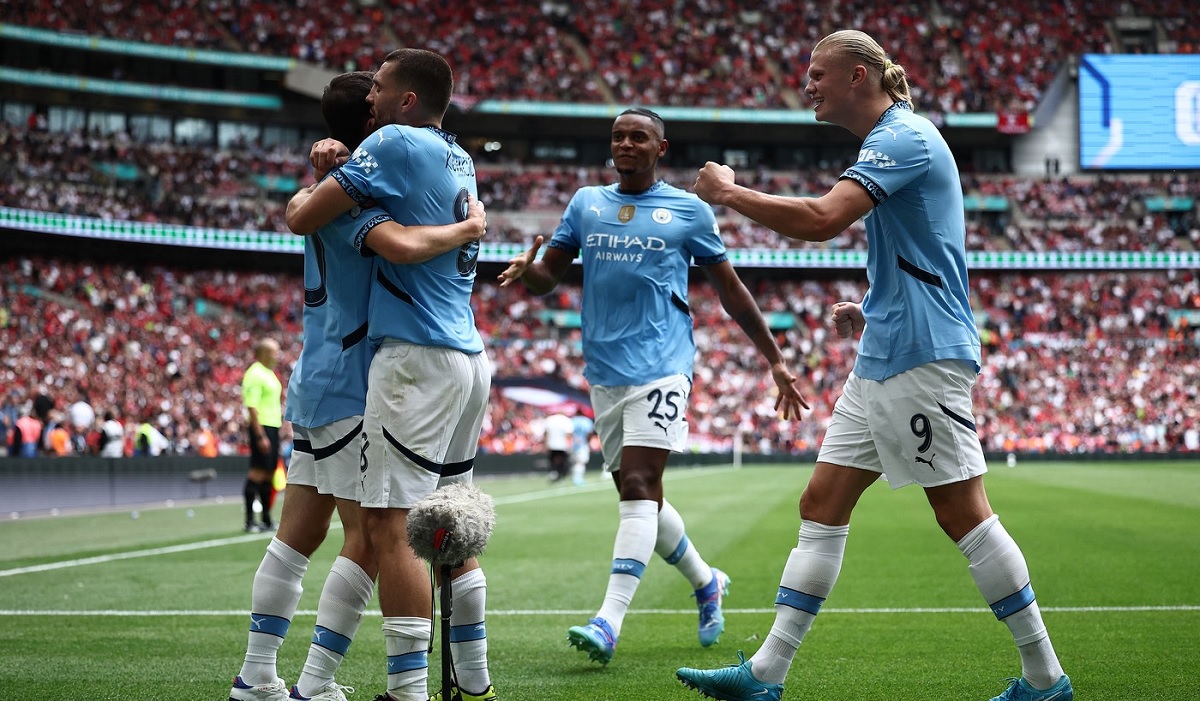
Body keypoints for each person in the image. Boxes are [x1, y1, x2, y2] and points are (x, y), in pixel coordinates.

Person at [675, 30, 1072, 701]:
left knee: (962, 512)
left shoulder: (902, 137)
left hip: (920, 355)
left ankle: (1045, 676)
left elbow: (824, 218)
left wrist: (731, 194)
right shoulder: (888, 142)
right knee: (821, 502)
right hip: (886, 350)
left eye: (816, 72)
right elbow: (923, 250)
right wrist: (870, 307)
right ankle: (766, 675)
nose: (807, 83)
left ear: (859, 75)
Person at [497, 107, 808, 666]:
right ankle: (706, 580)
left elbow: (731, 292)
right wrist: (531, 269)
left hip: (663, 364)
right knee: (637, 493)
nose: (626, 144)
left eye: (638, 136)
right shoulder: (586, 203)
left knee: (640, 483)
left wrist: (776, 360)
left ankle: (608, 621)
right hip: (605, 369)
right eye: (618, 136)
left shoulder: (688, 210)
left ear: (661, 148)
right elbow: (550, 276)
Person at [286, 48, 496, 701]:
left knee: (392, 527)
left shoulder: (395, 142)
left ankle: (408, 693)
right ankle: (475, 683)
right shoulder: (455, 154)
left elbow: (304, 216)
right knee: (453, 526)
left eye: (381, 86)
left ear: (407, 101)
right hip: (468, 351)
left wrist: (324, 167)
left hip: (414, 357)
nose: (372, 97)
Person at [230, 70, 385, 701]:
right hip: (354, 381)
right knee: (370, 539)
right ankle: (315, 684)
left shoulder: (321, 190)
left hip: (316, 374)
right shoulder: (367, 193)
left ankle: (256, 675)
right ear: (374, 124)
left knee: (298, 534)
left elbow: (301, 209)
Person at [242, 337, 284, 533]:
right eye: (274, 352)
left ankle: (266, 519)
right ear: (265, 353)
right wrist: (260, 436)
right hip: (262, 428)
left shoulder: (269, 373)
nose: (277, 356)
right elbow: (252, 407)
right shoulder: (255, 374)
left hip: (272, 427)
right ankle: (250, 521)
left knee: (268, 474)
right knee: (257, 472)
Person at [542, 410, 574, 482]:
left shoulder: (549, 419)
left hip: (551, 444)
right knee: (563, 460)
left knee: (553, 459)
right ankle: (560, 474)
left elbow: (545, 433)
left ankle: (554, 472)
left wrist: (545, 443)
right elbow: (569, 434)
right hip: (563, 444)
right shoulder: (566, 420)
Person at [569, 409, 595, 486]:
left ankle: (575, 477)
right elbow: (589, 433)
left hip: (573, 444)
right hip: (582, 444)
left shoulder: (572, 420)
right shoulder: (586, 421)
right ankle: (577, 479)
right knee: (581, 462)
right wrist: (588, 443)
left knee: (575, 462)